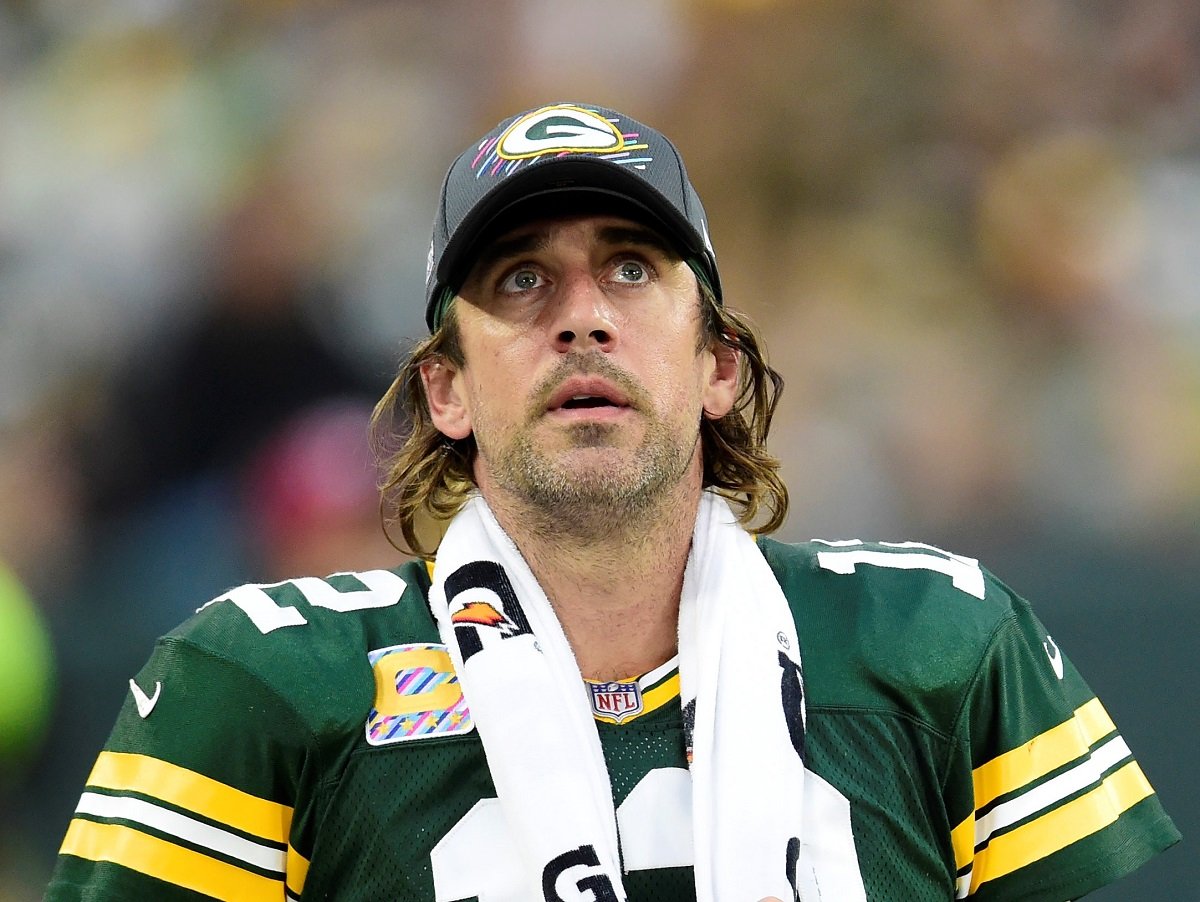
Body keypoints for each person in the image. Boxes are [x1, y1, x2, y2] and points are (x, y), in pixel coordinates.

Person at [46, 102, 1179, 902]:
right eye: (521, 280)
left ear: (720, 365)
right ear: (445, 388)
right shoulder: (257, 679)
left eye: (633, 267)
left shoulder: (944, 641)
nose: (582, 316)